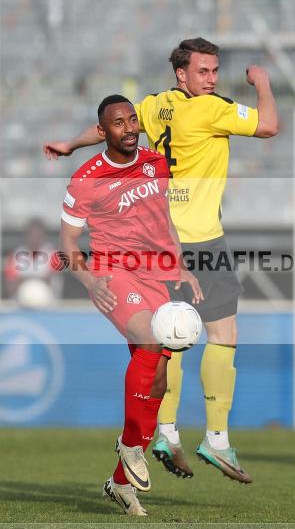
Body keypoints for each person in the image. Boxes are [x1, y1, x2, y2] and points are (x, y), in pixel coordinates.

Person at [44, 37, 278, 483]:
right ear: (182, 74)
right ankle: (217, 438)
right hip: (198, 238)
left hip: (157, 238)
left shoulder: (153, 107)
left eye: (215, 71)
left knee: (170, 337)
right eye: (204, 72)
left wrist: (70, 145)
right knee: (222, 333)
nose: (212, 79)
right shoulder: (211, 109)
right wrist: (262, 82)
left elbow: (104, 130)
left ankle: (165, 432)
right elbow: (268, 125)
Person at [57, 94, 202, 516]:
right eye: (118, 123)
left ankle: (121, 482)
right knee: (150, 336)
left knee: (159, 380)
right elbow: (66, 244)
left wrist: (183, 268)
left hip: (156, 273)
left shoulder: (156, 163)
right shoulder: (87, 178)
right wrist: (88, 280)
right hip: (111, 272)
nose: (129, 127)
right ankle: (131, 447)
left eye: (132, 119)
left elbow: (165, 222)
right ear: (103, 132)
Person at [3, 218, 61, 306]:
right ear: (27, 235)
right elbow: (10, 288)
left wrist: (23, 279)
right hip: (19, 306)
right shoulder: (15, 255)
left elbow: (51, 281)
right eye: (32, 235)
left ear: (43, 236)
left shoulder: (52, 254)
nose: (34, 238)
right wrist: (37, 278)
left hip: (47, 306)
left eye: (38, 235)